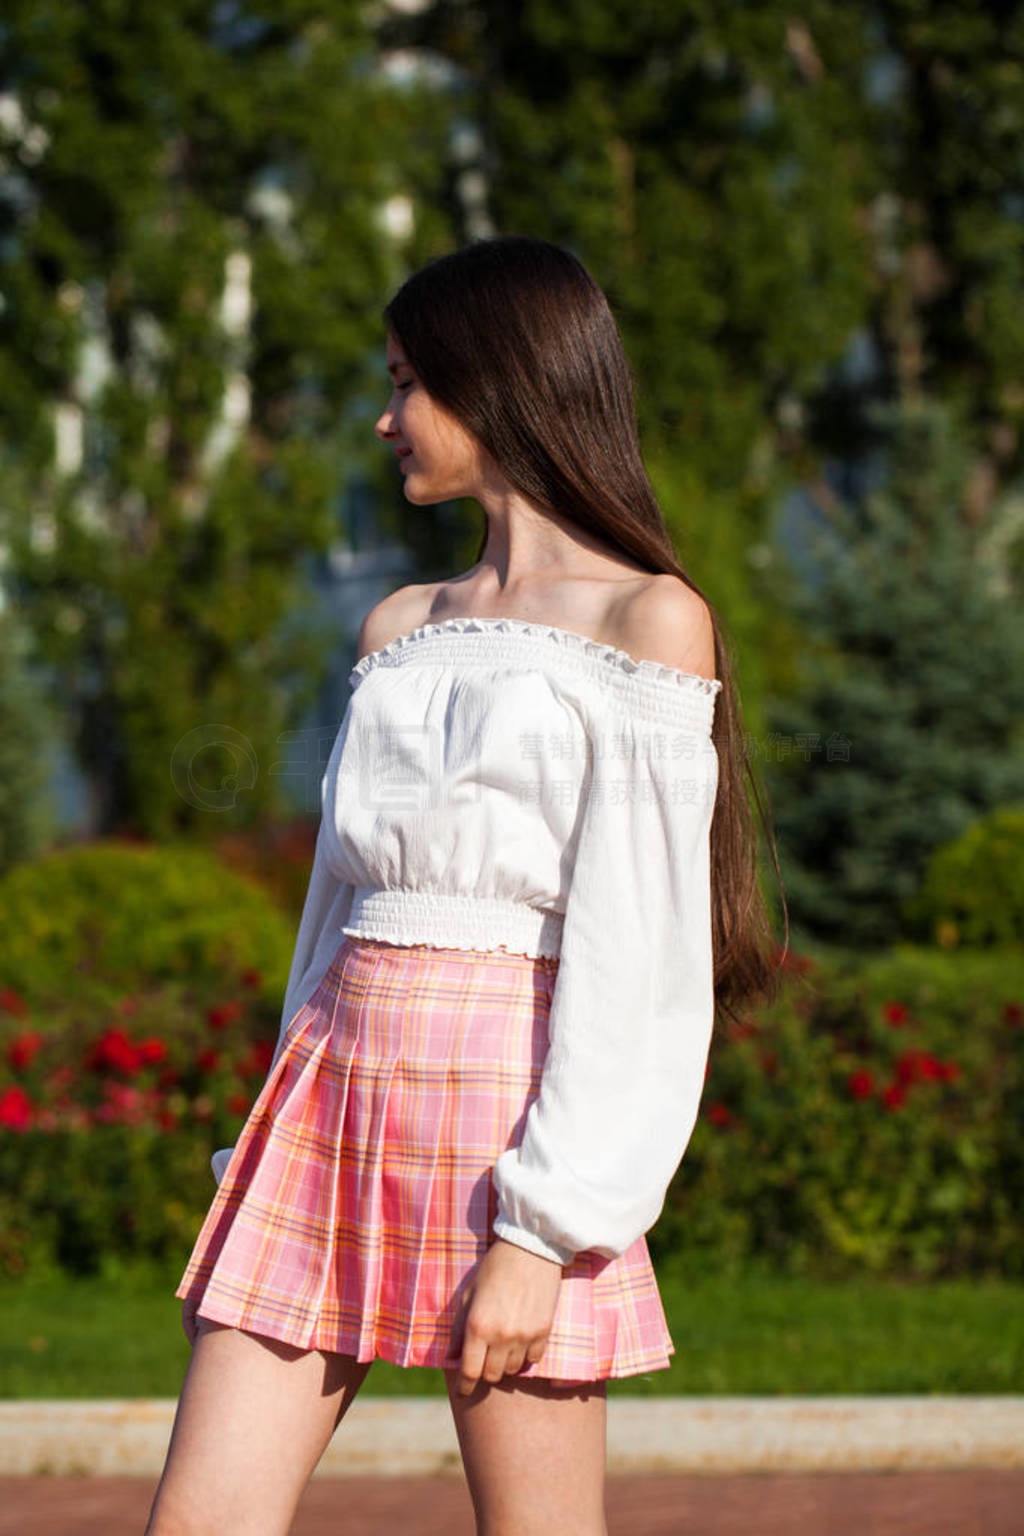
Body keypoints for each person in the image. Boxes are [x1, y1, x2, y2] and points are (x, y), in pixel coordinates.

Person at [145, 235, 783, 1536]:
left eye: (405, 385)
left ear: (493, 384)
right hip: (330, 1109)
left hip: (513, 1139)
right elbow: (333, 914)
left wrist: (545, 1230)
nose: (385, 421)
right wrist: (274, 1116)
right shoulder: (397, 626)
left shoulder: (650, 620)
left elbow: (642, 957)